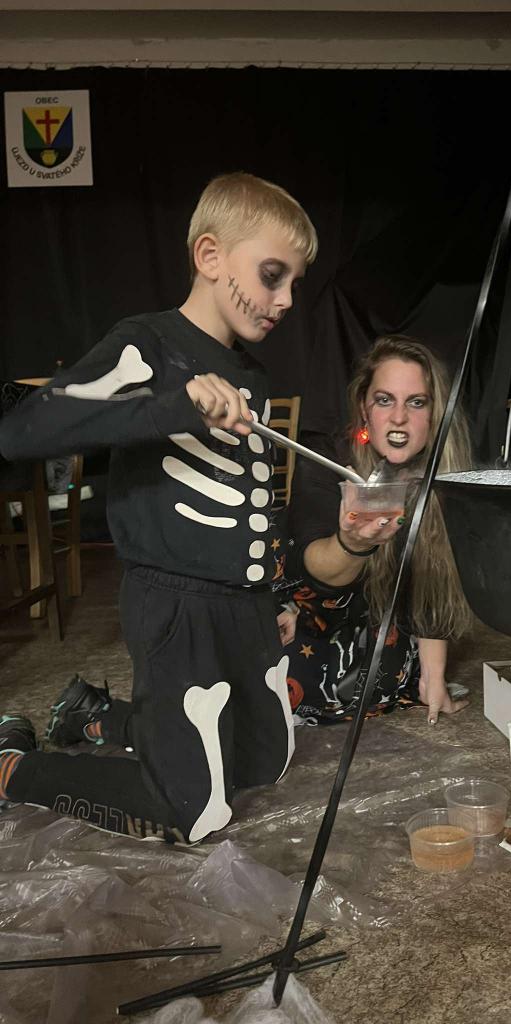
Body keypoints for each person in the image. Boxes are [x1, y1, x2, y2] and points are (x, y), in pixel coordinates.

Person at [0, 172, 317, 843]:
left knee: (268, 763)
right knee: (195, 810)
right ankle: (14, 770)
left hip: (246, 606)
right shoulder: (146, 344)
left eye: (294, 282)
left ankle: (97, 716)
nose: (286, 299)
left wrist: (276, 591)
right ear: (209, 256)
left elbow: (255, 498)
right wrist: (174, 405)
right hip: (175, 602)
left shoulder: (253, 375)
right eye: (272, 275)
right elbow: (23, 430)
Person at [273, 335, 473, 727]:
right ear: (365, 408)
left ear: (434, 414)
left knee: (388, 671)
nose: (399, 417)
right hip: (310, 605)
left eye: (416, 402)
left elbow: (434, 583)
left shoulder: (443, 473)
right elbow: (314, 570)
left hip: (380, 620)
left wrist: (433, 680)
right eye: (384, 400)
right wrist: (352, 544)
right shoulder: (330, 460)